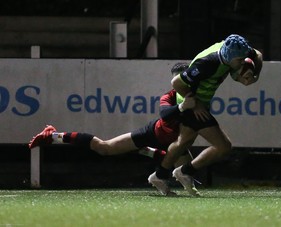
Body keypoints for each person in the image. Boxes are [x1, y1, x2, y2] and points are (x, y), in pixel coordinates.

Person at [29, 63, 196, 196]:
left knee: (183, 162)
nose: (177, 86)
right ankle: (54, 135)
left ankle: (170, 179)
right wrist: (182, 106)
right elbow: (164, 113)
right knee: (105, 148)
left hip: (174, 142)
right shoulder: (169, 97)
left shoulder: (197, 98)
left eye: (181, 81)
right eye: (175, 82)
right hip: (153, 133)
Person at [148, 34, 263, 196]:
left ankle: (159, 176)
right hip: (192, 102)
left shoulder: (236, 49)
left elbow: (258, 55)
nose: (242, 62)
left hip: (202, 101)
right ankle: (185, 171)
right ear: (229, 58)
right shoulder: (208, 63)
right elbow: (177, 83)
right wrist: (196, 105)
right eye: (239, 61)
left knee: (184, 141)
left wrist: (254, 74)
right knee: (223, 146)